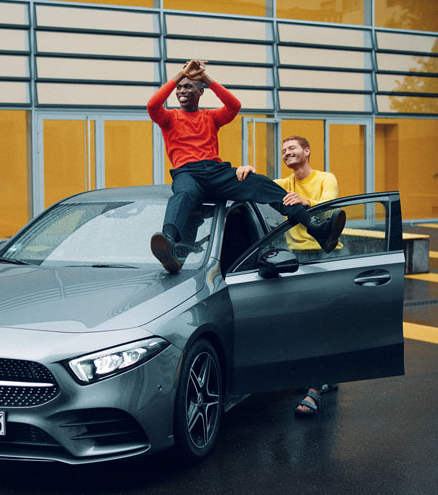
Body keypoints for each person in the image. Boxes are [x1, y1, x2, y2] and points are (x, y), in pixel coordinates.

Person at [147, 60, 345, 273]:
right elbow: (152, 105)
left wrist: (205, 78)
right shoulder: (169, 118)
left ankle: (314, 226)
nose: (181, 91)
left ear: (200, 91)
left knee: (259, 182)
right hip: (187, 173)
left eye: (188, 86)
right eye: (179, 88)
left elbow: (234, 106)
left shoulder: (210, 116)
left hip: (216, 172)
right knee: (184, 193)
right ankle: (169, 244)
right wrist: (180, 74)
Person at [236, 135, 340, 416]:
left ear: (307, 151)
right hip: (296, 259)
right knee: (303, 324)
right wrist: (246, 172)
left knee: (317, 324)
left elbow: (329, 206)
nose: (286, 153)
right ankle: (324, 376)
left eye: (292, 148)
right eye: (283, 151)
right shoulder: (285, 184)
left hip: (324, 256)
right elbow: (260, 187)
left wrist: (304, 201)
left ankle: (314, 390)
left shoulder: (325, 178)